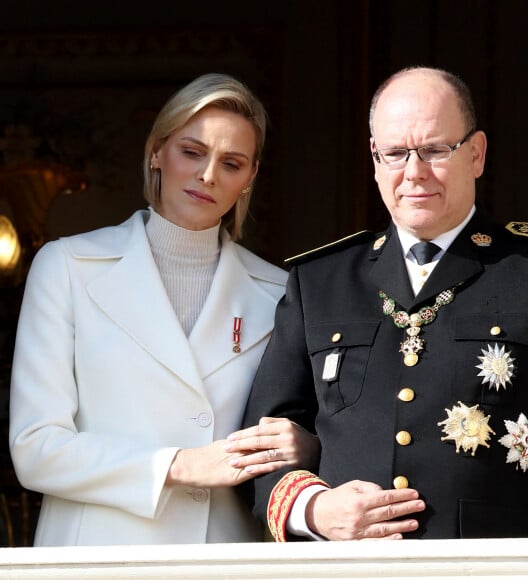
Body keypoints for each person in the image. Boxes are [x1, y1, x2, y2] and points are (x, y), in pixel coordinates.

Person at [238, 66, 528, 541]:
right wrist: (313, 511)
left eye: (436, 150)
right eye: (396, 153)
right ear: (375, 159)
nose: (414, 172)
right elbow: (261, 446)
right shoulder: (318, 282)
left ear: (476, 154)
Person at [9, 73, 319, 546]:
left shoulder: (280, 292)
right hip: (97, 556)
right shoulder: (67, 267)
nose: (208, 175)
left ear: (250, 178)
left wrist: (306, 447)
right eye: (192, 152)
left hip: (226, 556)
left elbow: (311, 431)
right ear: (157, 151)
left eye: (231, 163)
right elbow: (36, 450)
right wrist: (180, 465)